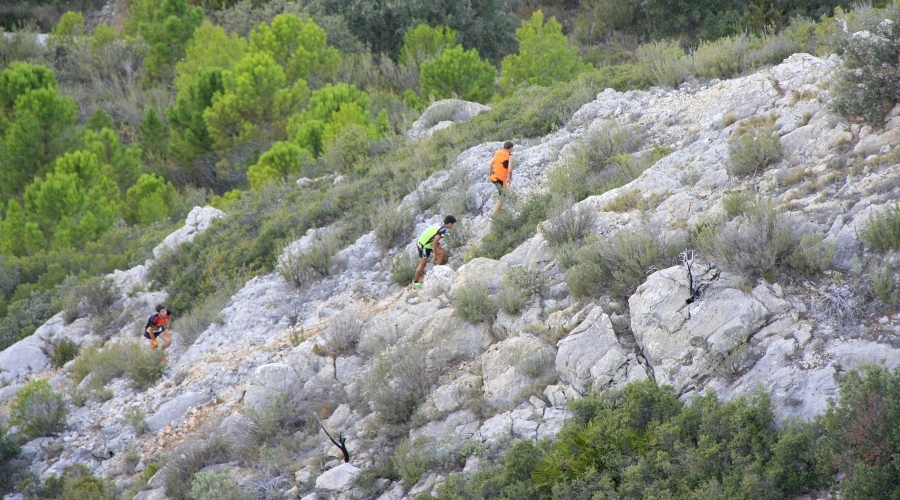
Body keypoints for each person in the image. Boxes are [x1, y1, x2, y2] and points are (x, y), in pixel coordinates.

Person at [413, 215, 457, 288]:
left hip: (429, 243)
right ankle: (416, 282)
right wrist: (435, 255)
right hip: (423, 245)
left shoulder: (441, 225)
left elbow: (434, 238)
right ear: (449, 223)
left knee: (442, 253)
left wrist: (438, 249)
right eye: (452, 224)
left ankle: (436, 272)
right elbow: (435, 242)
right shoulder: (442, 230)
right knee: (423, 264)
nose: (453, 225)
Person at [488, 140, 514, 218]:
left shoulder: (497, 153)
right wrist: (510, 179)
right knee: (503, 196)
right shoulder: (510, 156)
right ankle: (493, 215)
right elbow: (509, 170)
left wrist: (490, 174)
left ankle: (499, 210)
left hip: (494, 177)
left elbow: (490, 164)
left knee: (503, 193)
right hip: (501, 179)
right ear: (510, 148)